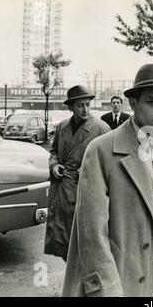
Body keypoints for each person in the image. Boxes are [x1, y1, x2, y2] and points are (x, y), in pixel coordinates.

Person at [62, 64, 153, 297]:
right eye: (152, 102)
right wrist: (107, 289)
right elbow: (91, 230)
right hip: (123, 274)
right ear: (133, 104)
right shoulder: (101, 150)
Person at [44, 85, 111, 261]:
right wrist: (55, 165)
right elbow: (54, 152)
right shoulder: (62, 127)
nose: (85, 109)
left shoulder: (101, 128)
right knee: (63, 236)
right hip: (62, 189)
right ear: (71, 107)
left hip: (86, 190)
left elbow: (111, 160)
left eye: (88, 104)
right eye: (80, 105)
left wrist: (91, 168)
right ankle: (71, 277)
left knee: (86, 239)